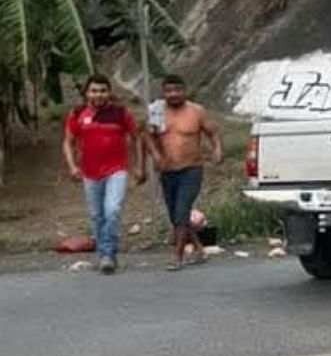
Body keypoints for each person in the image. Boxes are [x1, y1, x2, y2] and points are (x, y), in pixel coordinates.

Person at [62, 75, 145, 275]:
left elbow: (137, 138)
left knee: (112, 210)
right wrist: (72, 166)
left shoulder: (120, 113)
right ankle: (104, 255)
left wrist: (139, 166)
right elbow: (68, 142)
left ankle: (108, 254)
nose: (98, 95)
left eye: (102, 91)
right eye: (94, 91)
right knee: (96, 215)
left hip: (116, 170)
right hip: (90, 173)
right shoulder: (77, 113)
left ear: (109, 93)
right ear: (86, 93)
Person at [144, 74, 223, 271]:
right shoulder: (157, 111)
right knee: (176, 216)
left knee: (181, 212)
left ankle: (178, 256)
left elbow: (212, 132)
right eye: (169, 91)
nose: (173, 94)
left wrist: (217, 149)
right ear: (163, 92)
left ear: (184, 90)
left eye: (177, 90)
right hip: (167, 172)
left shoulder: (196, 111)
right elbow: (149, 136)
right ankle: (199, 250)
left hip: (191, 170)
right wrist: (155, 155)